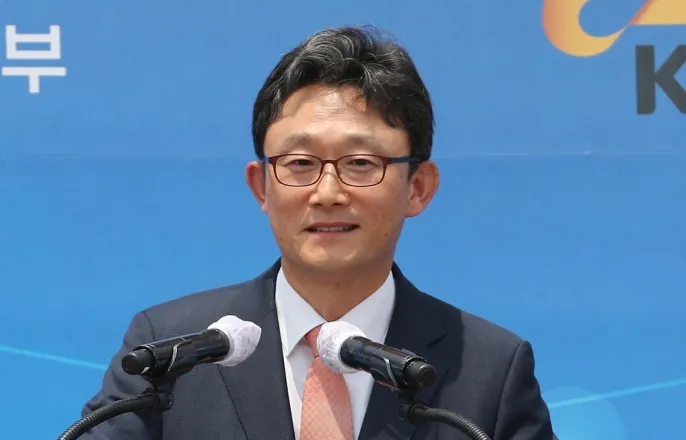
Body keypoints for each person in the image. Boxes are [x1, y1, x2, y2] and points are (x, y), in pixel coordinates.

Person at [80, 25, 555, 439]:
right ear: (261, 187)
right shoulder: (170, 350)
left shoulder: (490, 368)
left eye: (361, 163)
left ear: (418, 187)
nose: (327, 193)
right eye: (300, 163)